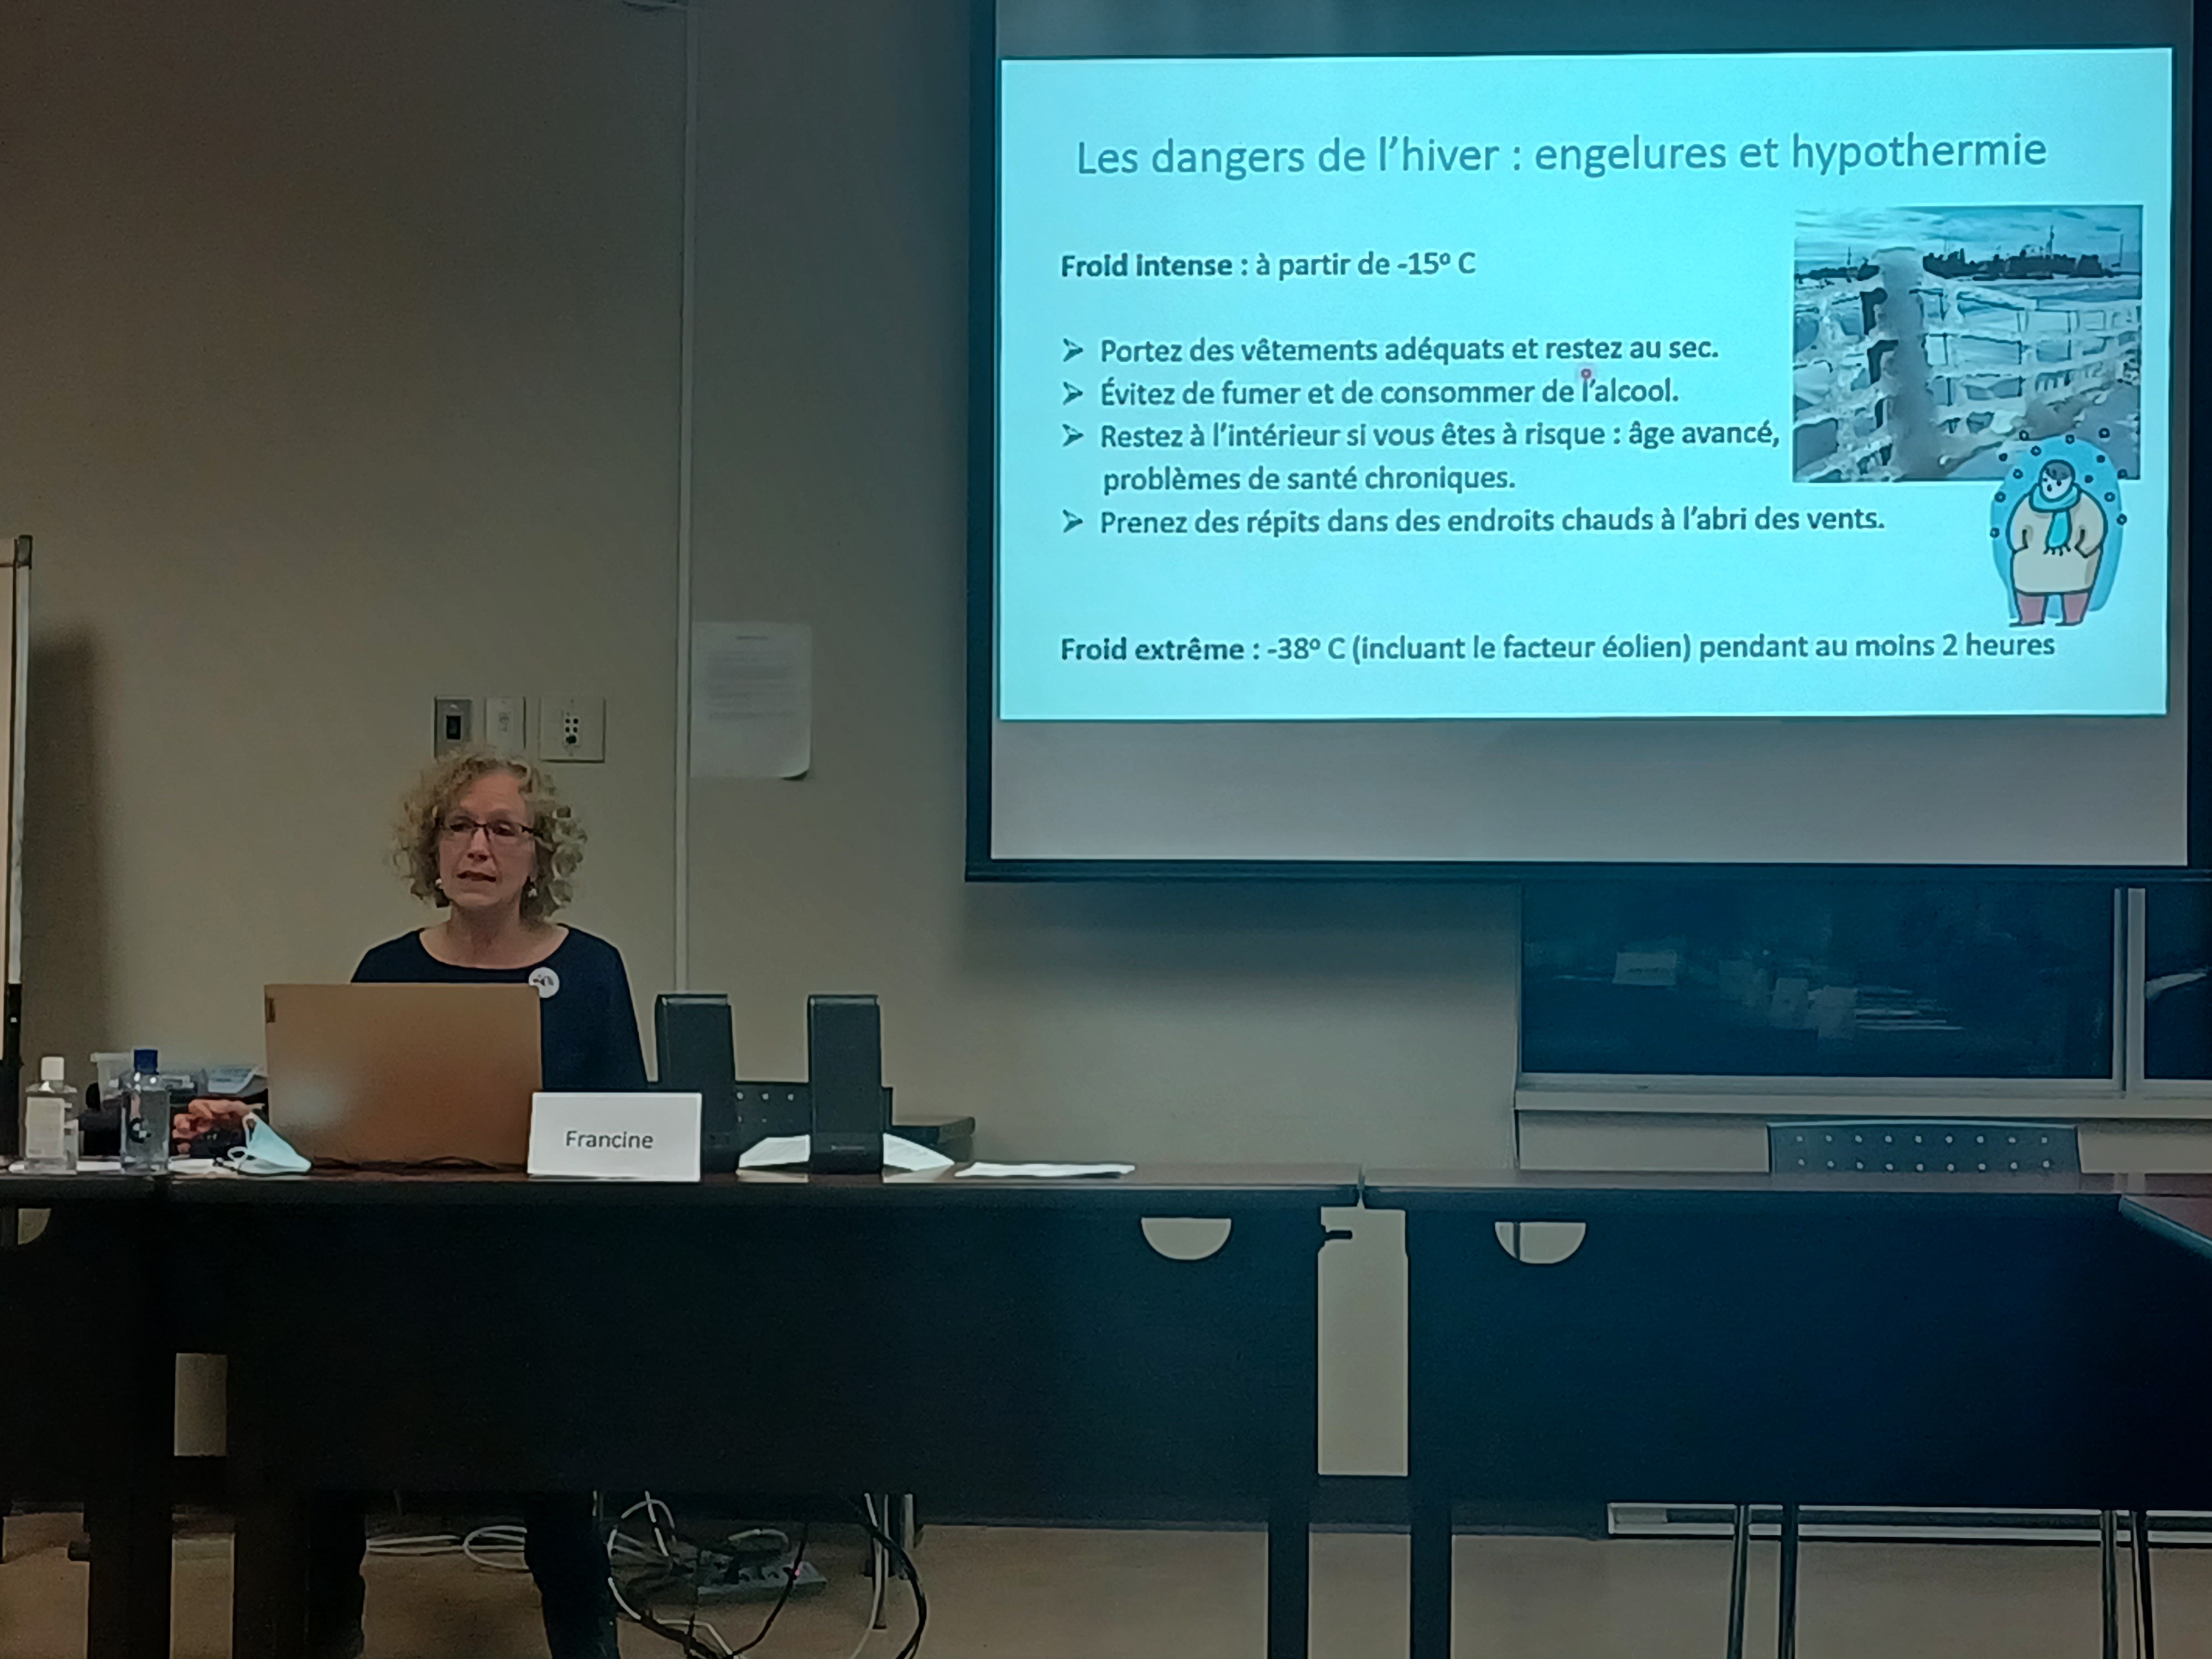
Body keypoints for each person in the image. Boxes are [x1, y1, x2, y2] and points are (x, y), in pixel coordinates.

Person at [309, 748, 645, 1659]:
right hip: (405, 1271)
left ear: (540, 855)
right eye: (459, 827)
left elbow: (630, 1131)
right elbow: (345, 1119)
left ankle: (583, 1633)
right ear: (433, 848)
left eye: (503, 829)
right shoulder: (386, 969)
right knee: (321, 1411)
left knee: (556, 1448)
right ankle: (327, 1627)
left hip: (541, 1274)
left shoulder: (592, 971)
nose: (478, 848)